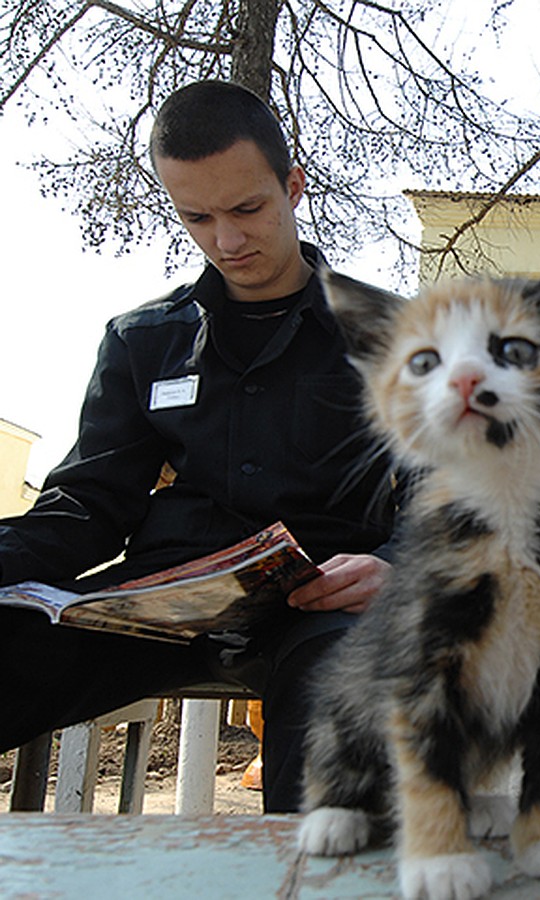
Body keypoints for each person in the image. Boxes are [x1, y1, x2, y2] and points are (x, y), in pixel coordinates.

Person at [0, 80, 399, 812]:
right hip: (159, 605)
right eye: (197, 216)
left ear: (294, 186)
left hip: (322, 607)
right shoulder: (142, 340)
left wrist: (396, 567)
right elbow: (85, 507)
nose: (227, 240)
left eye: (248, 209)